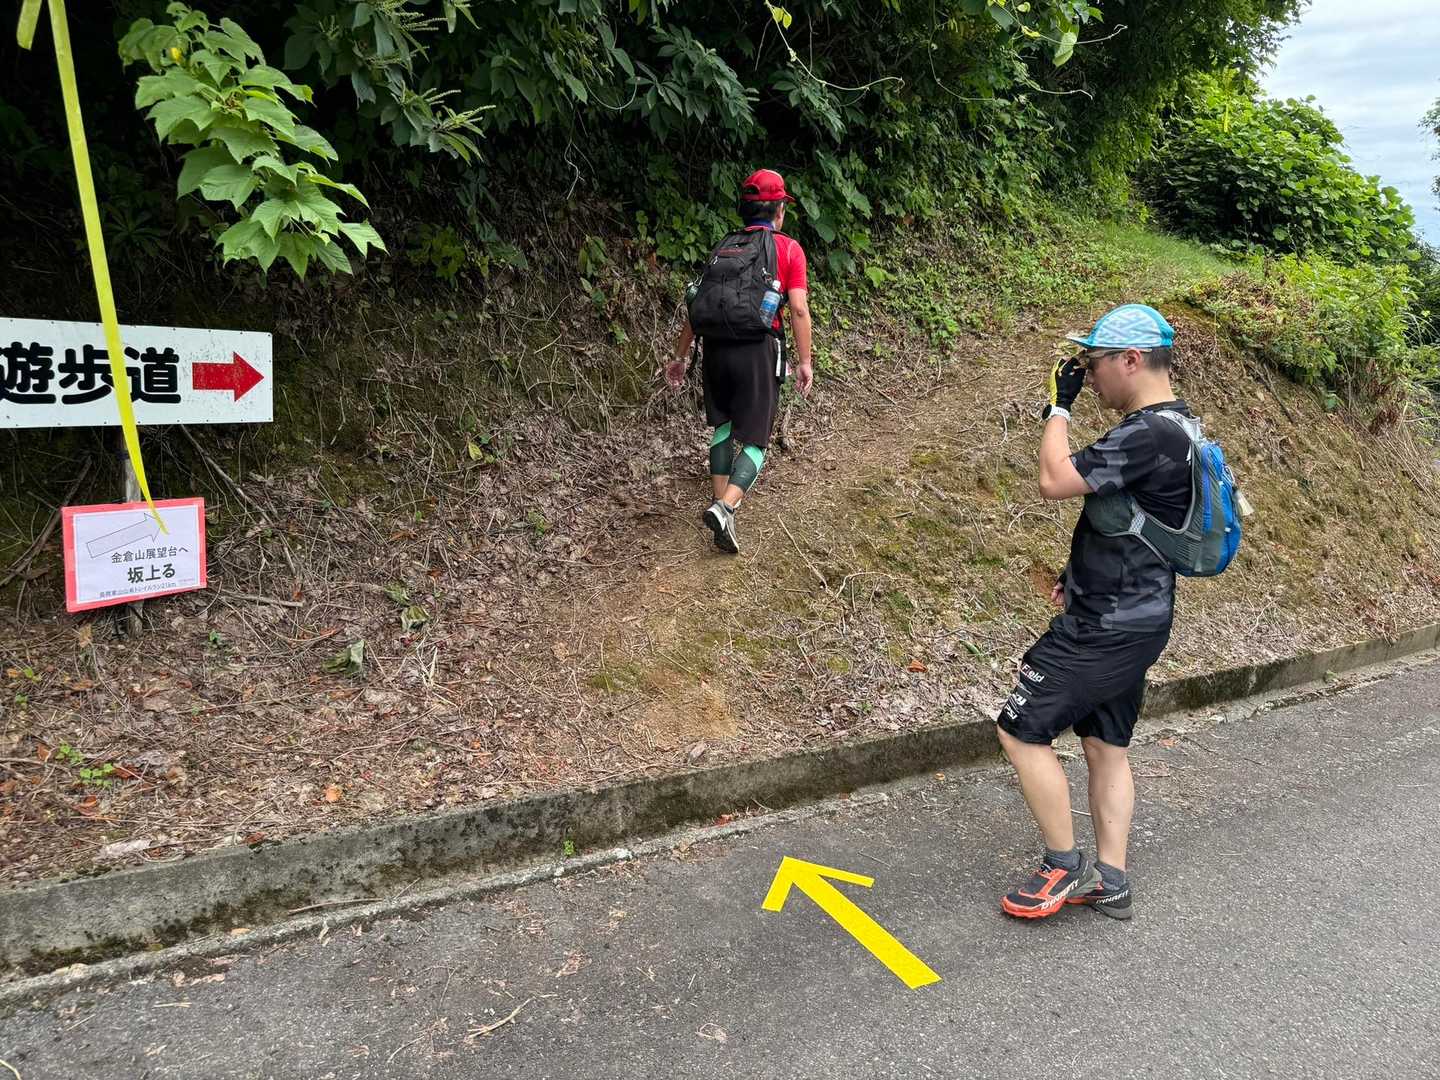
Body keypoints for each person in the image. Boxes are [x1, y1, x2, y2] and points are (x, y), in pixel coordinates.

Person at [995, 304, 1192, 922]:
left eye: (1094, 361)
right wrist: (1078, 574)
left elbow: (1055, 480)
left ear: (1131, 360)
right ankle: (1112, 880)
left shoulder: (1146, 433)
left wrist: (1058, 407)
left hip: (1105, 626)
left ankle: (1064, 864)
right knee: (1105, 743)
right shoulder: (1181, 427)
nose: (1089, 373)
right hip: (1140, 615)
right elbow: (1133, 523)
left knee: (1020, 729)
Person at [665, 169, 814, 554]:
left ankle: (721, 510)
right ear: (779, 211)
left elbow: (697, 305)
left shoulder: (724, 246)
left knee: (723, 428)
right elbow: (798, 309)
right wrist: (805, 361)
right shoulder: (788, 249)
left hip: (715, 349)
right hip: (756, 351)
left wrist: (680, 356)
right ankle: (725, 507)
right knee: (757, 440)